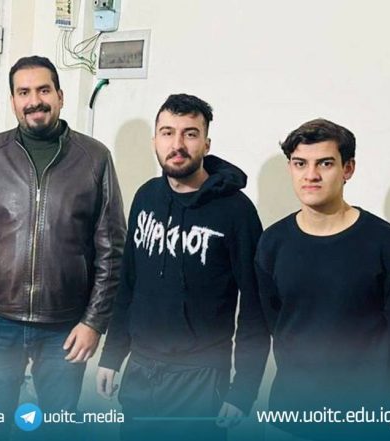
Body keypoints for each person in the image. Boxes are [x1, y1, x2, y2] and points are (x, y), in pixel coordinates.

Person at [0, 55, 126, 439]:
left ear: (60, 96)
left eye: (44, 90)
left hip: (66, 326)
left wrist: (94, 322)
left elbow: (112, 251)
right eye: (24, 92)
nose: (34, 101)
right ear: (13, 100)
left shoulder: (94, 159)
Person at [96, 94, 270, 441]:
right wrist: (112, 354)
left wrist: (243, 390)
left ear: (206, 143)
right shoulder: (146, 197)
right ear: (155, 141)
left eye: (190, 134)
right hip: (141, 367)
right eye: (167, 132)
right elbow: (128, 284)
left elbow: (255, 307)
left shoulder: (236, 211)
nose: (177, 144)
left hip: (200, 374)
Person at [255, 119, 390, 440]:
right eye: (300, 164)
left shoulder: (383, 242)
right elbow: (274, 322)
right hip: (290, 415)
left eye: (325, 163)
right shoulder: (272, 243)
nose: (311, 175)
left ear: (348, 169)